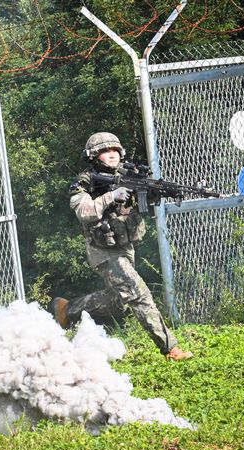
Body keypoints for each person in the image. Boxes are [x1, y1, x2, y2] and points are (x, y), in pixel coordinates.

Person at [49, 132, 193, 361]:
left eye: (115, 150)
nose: (112, 154)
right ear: (94, 157)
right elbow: (83, 211)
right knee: (138, 294)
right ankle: (170, 348)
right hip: (103, 250)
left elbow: (141, 207)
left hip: (125, 247)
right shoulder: (84, 182)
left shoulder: (129, 174)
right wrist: (110, 197)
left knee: (120, 302)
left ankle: (68, 310)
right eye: (105, 151)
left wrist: (151, 194)